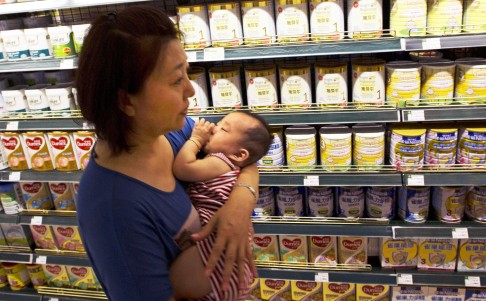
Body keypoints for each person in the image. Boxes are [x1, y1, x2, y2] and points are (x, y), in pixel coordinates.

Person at [75, 6, 259, 301]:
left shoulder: (175, 131)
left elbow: (247, 156)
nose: (190, 90)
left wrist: (240, 203)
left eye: (187, 73)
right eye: (176, 80)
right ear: (126, 101)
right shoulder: (113, 209)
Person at [171, 112, 272, 300]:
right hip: (223, 268)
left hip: (213, 249)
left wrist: (196, 139)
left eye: (223, 128)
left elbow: (183, 168)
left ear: (239, 154)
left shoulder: (220, 161)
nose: (214, 128)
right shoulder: (232, 165)